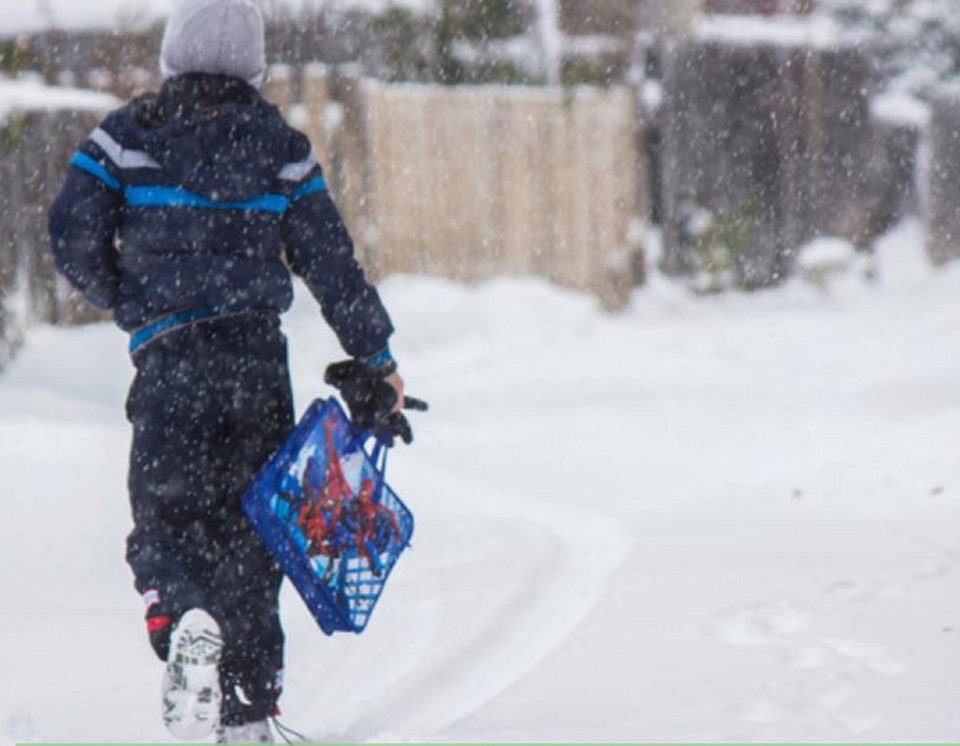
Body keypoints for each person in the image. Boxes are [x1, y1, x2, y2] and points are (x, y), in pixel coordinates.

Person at [47, 0, 420, 741]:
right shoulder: (280, 147)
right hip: (254, 363)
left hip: (170, 363)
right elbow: (331, 263)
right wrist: (375, 359)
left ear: (172, 52)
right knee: (255, 532)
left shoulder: (127, 138)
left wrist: (127, 299)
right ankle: (249, 707)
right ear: (254, 63)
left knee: (167, 514)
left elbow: (71, 232)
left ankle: (180, 611)